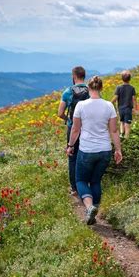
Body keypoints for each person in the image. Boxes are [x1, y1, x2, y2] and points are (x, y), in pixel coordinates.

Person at [67, 76, 122, 225]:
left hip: (87, 150)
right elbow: (114, 131)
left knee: (80, 180)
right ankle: (94, 209)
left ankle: (90, 207)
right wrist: (118, 150)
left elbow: (76, 129)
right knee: (96, 181)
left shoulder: (81, 106)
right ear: (101, 88)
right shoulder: (108, 106)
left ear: (89, 89)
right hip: (104, 149)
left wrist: (71, 146)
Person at [57, 66, 90, 196]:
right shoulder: (90, 90)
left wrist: (68, 120)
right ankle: (86, 183)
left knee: (72, 156)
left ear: (74, 76)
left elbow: (60, 113)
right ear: (84, 76)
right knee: (86, 155)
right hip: (88, 127)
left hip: (73, 128)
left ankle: (75, 188)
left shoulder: (68, 91)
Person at [111, 70, 137, 139]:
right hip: (128, 109)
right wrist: (135, 108)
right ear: (130, 79)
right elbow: (134, 99)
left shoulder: (118, 88)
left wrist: (110, 103)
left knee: (121, 122)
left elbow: (116, 97)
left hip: (120, 109)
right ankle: (126, 138)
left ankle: (121, 135)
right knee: (127, 124)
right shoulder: (132, 88)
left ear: (122, 79)